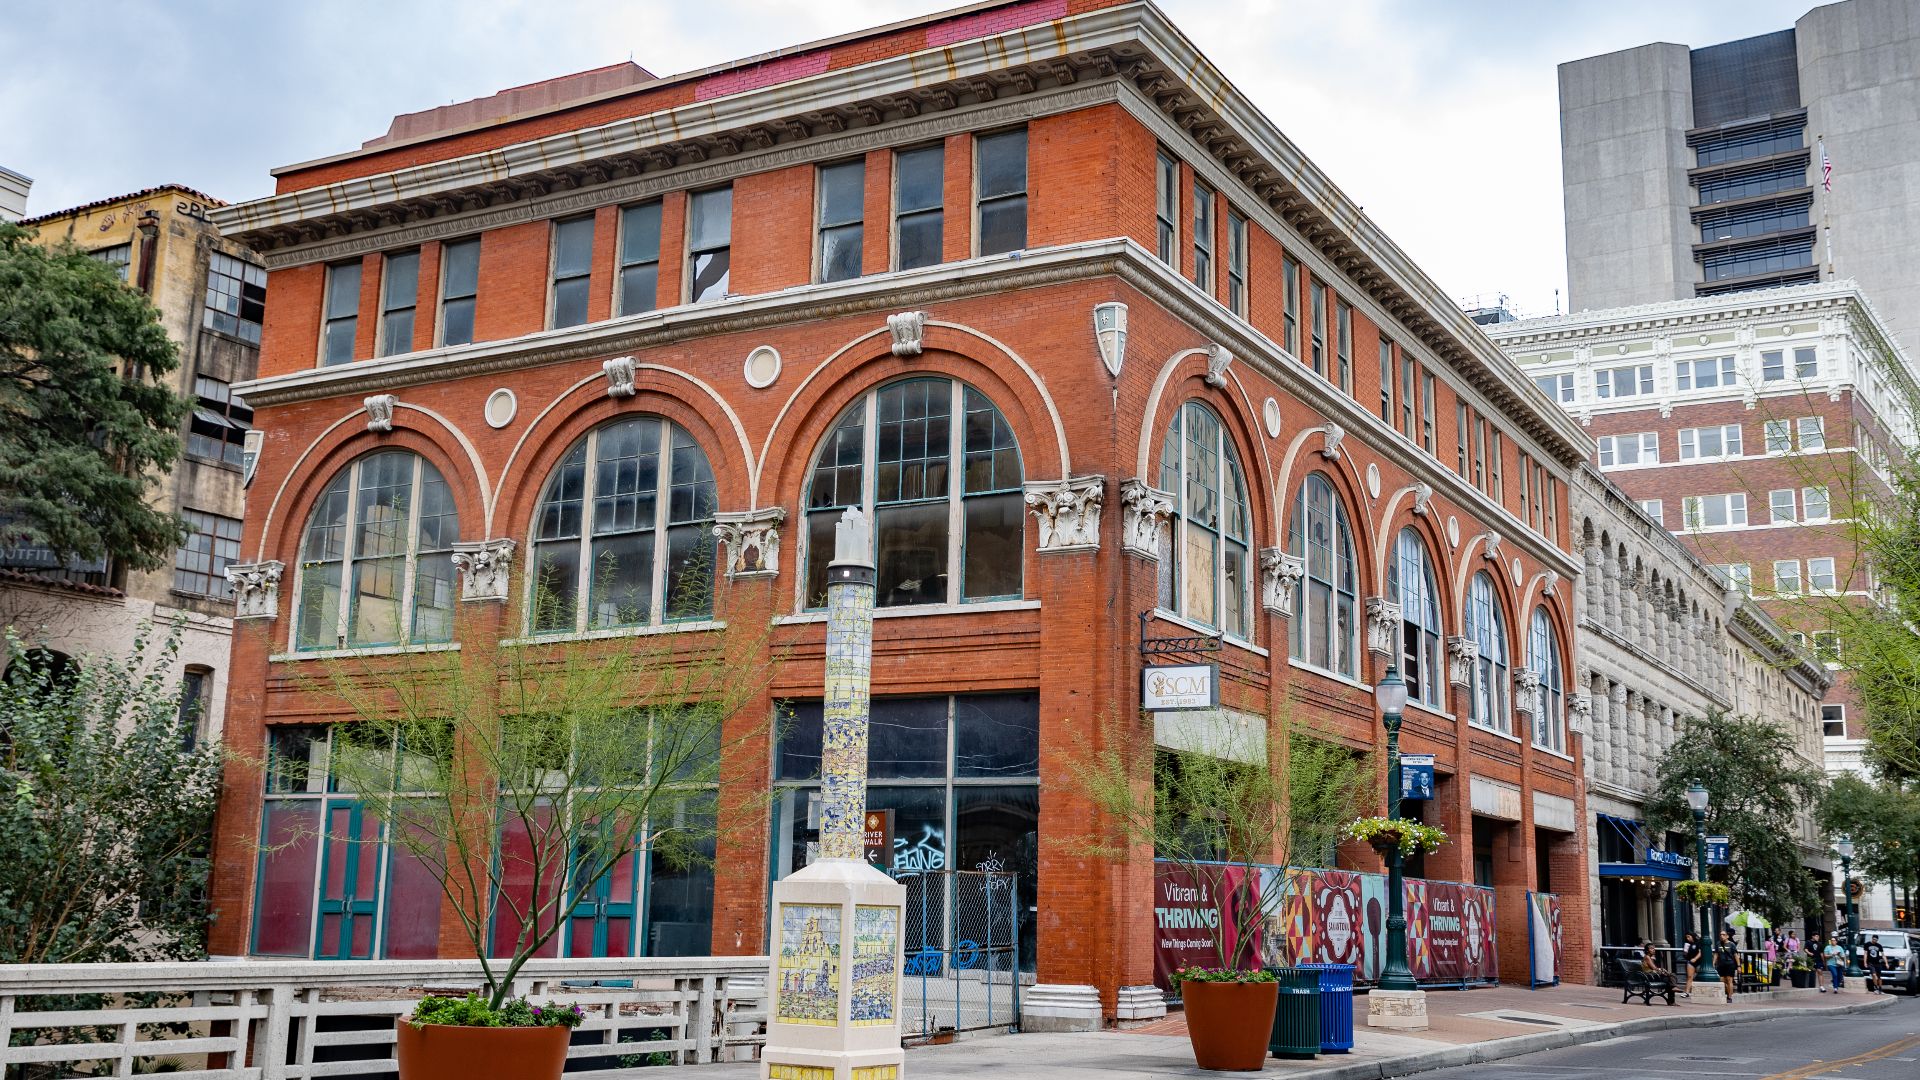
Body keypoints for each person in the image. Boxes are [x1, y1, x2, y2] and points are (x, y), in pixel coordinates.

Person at [1716, 930, 1738, 1000]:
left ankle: (1729, 997)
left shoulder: (1731, 944)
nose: (1722, 936)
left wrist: (1739, 966)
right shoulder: (1718, 944)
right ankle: (1727, 993)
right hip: (1721, 964)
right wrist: (1713, 963)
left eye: (1723, 935)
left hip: (1730, 964)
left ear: (1727, 936)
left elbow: (1736, 955)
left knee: (1729, 980)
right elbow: (1716, 954)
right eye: (1720, 935)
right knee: (1722, 980)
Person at [1679, 932, 1701, 997]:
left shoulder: (1698, 943)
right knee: (1689, 977)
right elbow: (1686, 954)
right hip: (1690, 962)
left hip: (1699, 961)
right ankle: (1687, 992)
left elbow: (1700, 952)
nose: (1687, 938)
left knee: (1699, 976)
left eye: (1689, 937)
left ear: (1692, 936)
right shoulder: (1688, 944)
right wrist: (1685, 951)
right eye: (1686, 937)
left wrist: (1695, 959)